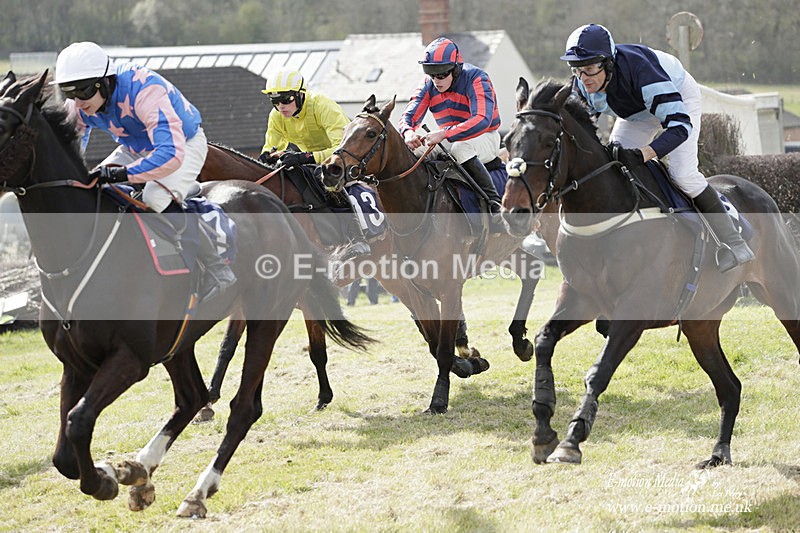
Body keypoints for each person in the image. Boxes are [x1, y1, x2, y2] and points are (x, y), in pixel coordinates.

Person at [561, 24, 754, 273]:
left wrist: (645, 153)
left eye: (589, 69)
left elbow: (680, 127)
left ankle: (734, 242)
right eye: (577, 70)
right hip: (637, 112)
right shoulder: (581, 85)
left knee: (683, 174)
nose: (583, 78)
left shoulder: (642, 73)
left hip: (678, 97)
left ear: (608, 64)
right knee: (614, 166)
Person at [52, 41, 235, 301]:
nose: (78, 103)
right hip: (137, 148)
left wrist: (122, 174)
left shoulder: (145, 90)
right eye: (69, 95)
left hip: (183, 144)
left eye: (82, 93)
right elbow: (71, 148)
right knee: (94, 187)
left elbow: (170, 153)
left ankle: (217, 267)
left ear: (103, 83)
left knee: (154, 198)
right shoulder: (79, 103)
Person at [259, 70, 370, 261]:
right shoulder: (277, 115)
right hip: (313, 162)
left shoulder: (322, 106)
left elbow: (341, 149)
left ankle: (356, 237)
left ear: (300, 94)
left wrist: (306, 157)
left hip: (347, 157)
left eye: (285, 99)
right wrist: (267, 155)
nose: (280, 106)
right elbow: (272, 145)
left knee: (329, 177)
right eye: (274, 101)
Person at [400, 37, 503, 220]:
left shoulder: (477, 78)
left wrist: (444, 133)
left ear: (455, 69)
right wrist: (408, 133)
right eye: (431, 74)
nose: (436, 80)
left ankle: (494, 204)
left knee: (460, 148)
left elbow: (482, 120)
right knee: (414, 153)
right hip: (450, 137)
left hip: (485, 136)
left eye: (441, 75)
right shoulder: (428, 84)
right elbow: (408, 116)